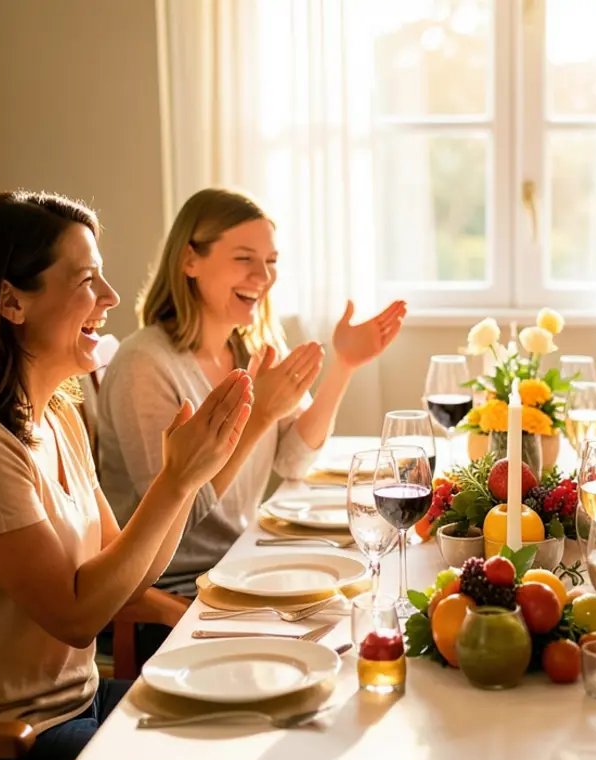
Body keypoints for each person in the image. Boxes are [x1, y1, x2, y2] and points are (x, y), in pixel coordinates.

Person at [0, 192, 254, 760]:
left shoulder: (54, 416)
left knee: (245, 723)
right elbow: (79, 616)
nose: (111, 296)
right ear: (11, 301)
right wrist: (174, 481)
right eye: (87, 280)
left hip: (67, 710)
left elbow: (125, 578)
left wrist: (188, 479)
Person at [96, 188, 406, 652]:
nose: (263, 277)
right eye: (244, 258)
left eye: (271, 261)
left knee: (368, 615)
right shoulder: (146, 365)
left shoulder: (247, 348)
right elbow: (183, 513)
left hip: (240, 569)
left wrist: (344, 365)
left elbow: (294, 461)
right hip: (176, 598)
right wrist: (259, 414)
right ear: (189, 261)